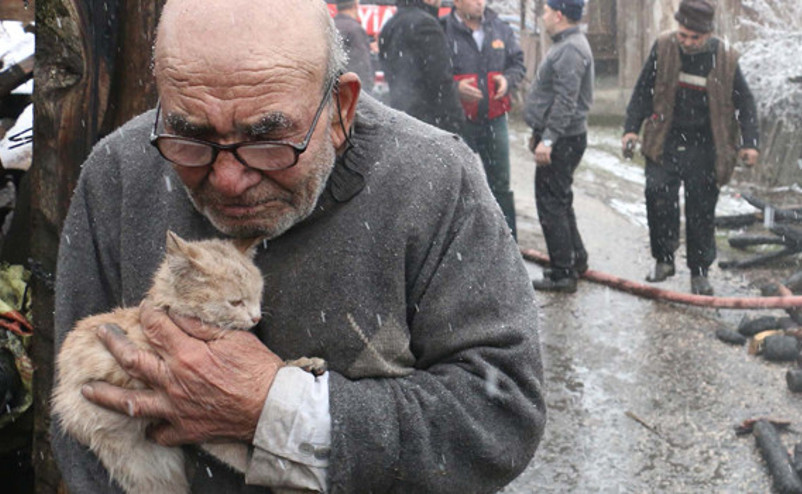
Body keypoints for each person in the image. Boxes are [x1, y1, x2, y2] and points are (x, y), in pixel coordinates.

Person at [50, 0, 545, 492]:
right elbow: (79, 424)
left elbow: (501, 416)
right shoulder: (118, 171)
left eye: (268, 139)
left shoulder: (435, 180)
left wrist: (280, 411)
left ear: (340, 109)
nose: (227, 180)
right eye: (191, 137)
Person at [622, 0, 759, 296]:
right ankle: (664, 259)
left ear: (708, 33)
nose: (686, 42)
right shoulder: (664, 47)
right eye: (682, 35)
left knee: (701, 211)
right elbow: (643, 89)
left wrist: (750, 143)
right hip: (665, 140)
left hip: (707, 146)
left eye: (694, 38)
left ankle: (699, 272)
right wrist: (631, 128)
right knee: (657, 194)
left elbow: (745, 104)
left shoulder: (726, 59)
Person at [523, 0, 593, 293]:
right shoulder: (568, 44)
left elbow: (567, 100)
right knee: (560, 198)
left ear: (560, 15)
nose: (544, 17)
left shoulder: (571, 49)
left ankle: (563, 273)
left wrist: (549, 139)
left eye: (547, 11)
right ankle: (575, 259)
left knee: (551, 203)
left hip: (562, 139)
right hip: (560, 136)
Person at [441, 0, 526, 239]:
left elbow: (518, 64)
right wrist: (456, 87)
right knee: (457, 185)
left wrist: (508, 80)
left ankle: (508, 243)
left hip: (494, 119)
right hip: (458, 122)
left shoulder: (500, 28)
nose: (480, 3)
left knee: (501, 185)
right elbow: (435, 73)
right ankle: (463, 244)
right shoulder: (442, 30)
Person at [378, 0, 465, 134]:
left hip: (402, 116)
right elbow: (440, 80)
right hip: (430, 122)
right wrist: (456, 120)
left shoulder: (390, 24)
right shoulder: (427, 24)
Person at [333, 0, 375, 91]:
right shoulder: (355, 29)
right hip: (351, 88)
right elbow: (362, 65)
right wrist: (368, 87)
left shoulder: (330, 26)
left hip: (333, 87)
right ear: (355, 5)